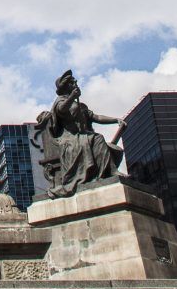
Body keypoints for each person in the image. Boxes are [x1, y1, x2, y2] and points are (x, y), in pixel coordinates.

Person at [44, 70, 125, 198]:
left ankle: (108, 172)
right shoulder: (60, 101)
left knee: (97, 138)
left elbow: (96, 117)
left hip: (84, 136)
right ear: (66, 86)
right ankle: (102, 172)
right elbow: (61, 110)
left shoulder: (81, 105)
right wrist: (71, 97)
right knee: (96, 138)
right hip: (69, 138)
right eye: (72, 82)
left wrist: (115, 120)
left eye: (75, 81)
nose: (75, 83)